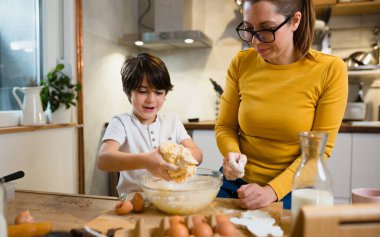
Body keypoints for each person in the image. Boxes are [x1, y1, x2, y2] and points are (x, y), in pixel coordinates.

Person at [215, 0, 348, 209]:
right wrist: (232, 155)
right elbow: (225, 127)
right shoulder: (241, 63)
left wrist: (271, 191)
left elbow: (317, 153)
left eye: (267, 29)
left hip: (292, 190)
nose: (255, 41)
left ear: (295, 21)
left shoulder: (330, 70)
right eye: (249, 29)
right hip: (235, 185)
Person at [97, 53, 203, 195]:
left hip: (169, 198)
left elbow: (198, 155)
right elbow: (104, 160)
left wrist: (180, 156)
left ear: (165, 94)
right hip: (134, 200)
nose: (151, 99)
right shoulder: (121, 122)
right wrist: (146, 161)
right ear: (128, 92)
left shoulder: (172, 121)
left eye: (158, 92)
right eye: (142, 91)